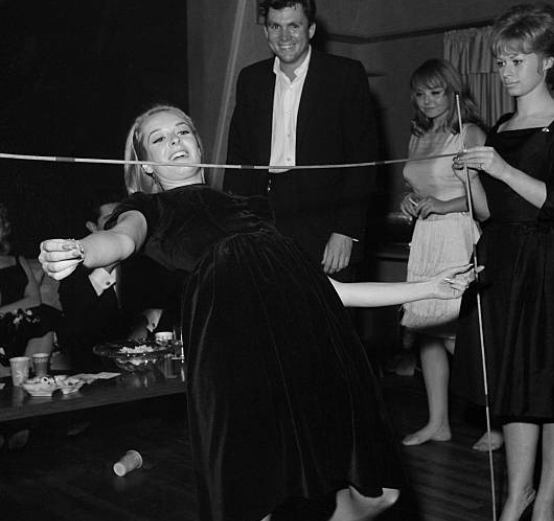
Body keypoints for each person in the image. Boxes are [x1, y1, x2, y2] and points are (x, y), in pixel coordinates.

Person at [39, 105, 478, 521]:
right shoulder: (148, 209)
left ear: (199, 145)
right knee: (252, 497)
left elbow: (331, 291)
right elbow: (120, 241)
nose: (175, 141)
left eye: (183, 132)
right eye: (159, 138)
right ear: (147, 163)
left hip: (308, 347)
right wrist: (81, 251)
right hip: (234, 354)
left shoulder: (250, 209)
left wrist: (430, 286)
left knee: (380, 494)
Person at [452, 4, 554, 521]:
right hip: (502, 261)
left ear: (549, 62)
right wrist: (470, 176)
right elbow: (493, 211)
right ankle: (518, 494)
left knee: (553, 384)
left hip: (547, 263)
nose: (507, 71)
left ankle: (549, 497)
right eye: (501, 61)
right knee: (514, 385)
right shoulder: (500, 126)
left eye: (518, 60)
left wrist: (502, 167)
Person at [224, 0, 376, 281]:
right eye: (275, 26)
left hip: (326, 220)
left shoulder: (345, 75)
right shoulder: (251, 80)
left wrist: (346, 231)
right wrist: (237, 228)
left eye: (294, 26)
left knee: (331, 320)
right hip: (265, 219)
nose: (284, 36)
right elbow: (238, 159)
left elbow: (363, 159)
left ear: (311, 30)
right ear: (266, 31)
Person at [398, 58, 501, 451]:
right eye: (421, 94)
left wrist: (443, 206)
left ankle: (498, 422)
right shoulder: (417, 137)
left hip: (459, 238)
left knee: (466, 338)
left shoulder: (470, 132)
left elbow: (490, 204)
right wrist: (409, 201)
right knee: (426, 333)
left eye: (435, 92)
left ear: (453, 91)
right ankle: (438, 422)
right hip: (425, 240)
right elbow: (421, 186)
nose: (427, 101)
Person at [55, 189, 181, 371]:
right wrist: (110, 263)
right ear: (92, 227)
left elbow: (169, 305)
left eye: (121, 220)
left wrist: (144, 321)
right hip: (94, 367)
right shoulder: (75, 272)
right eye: (109, 220)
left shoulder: (145, 263)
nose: (118, 226)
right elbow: (77, 313)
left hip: (146, 364)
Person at [0, 203, 59, 366]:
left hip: (22, 321)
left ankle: (30, 377)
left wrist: (10, 312)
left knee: (44, 316)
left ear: (4, 229)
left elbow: (34, 299)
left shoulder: (18, 260)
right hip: (6, 325)